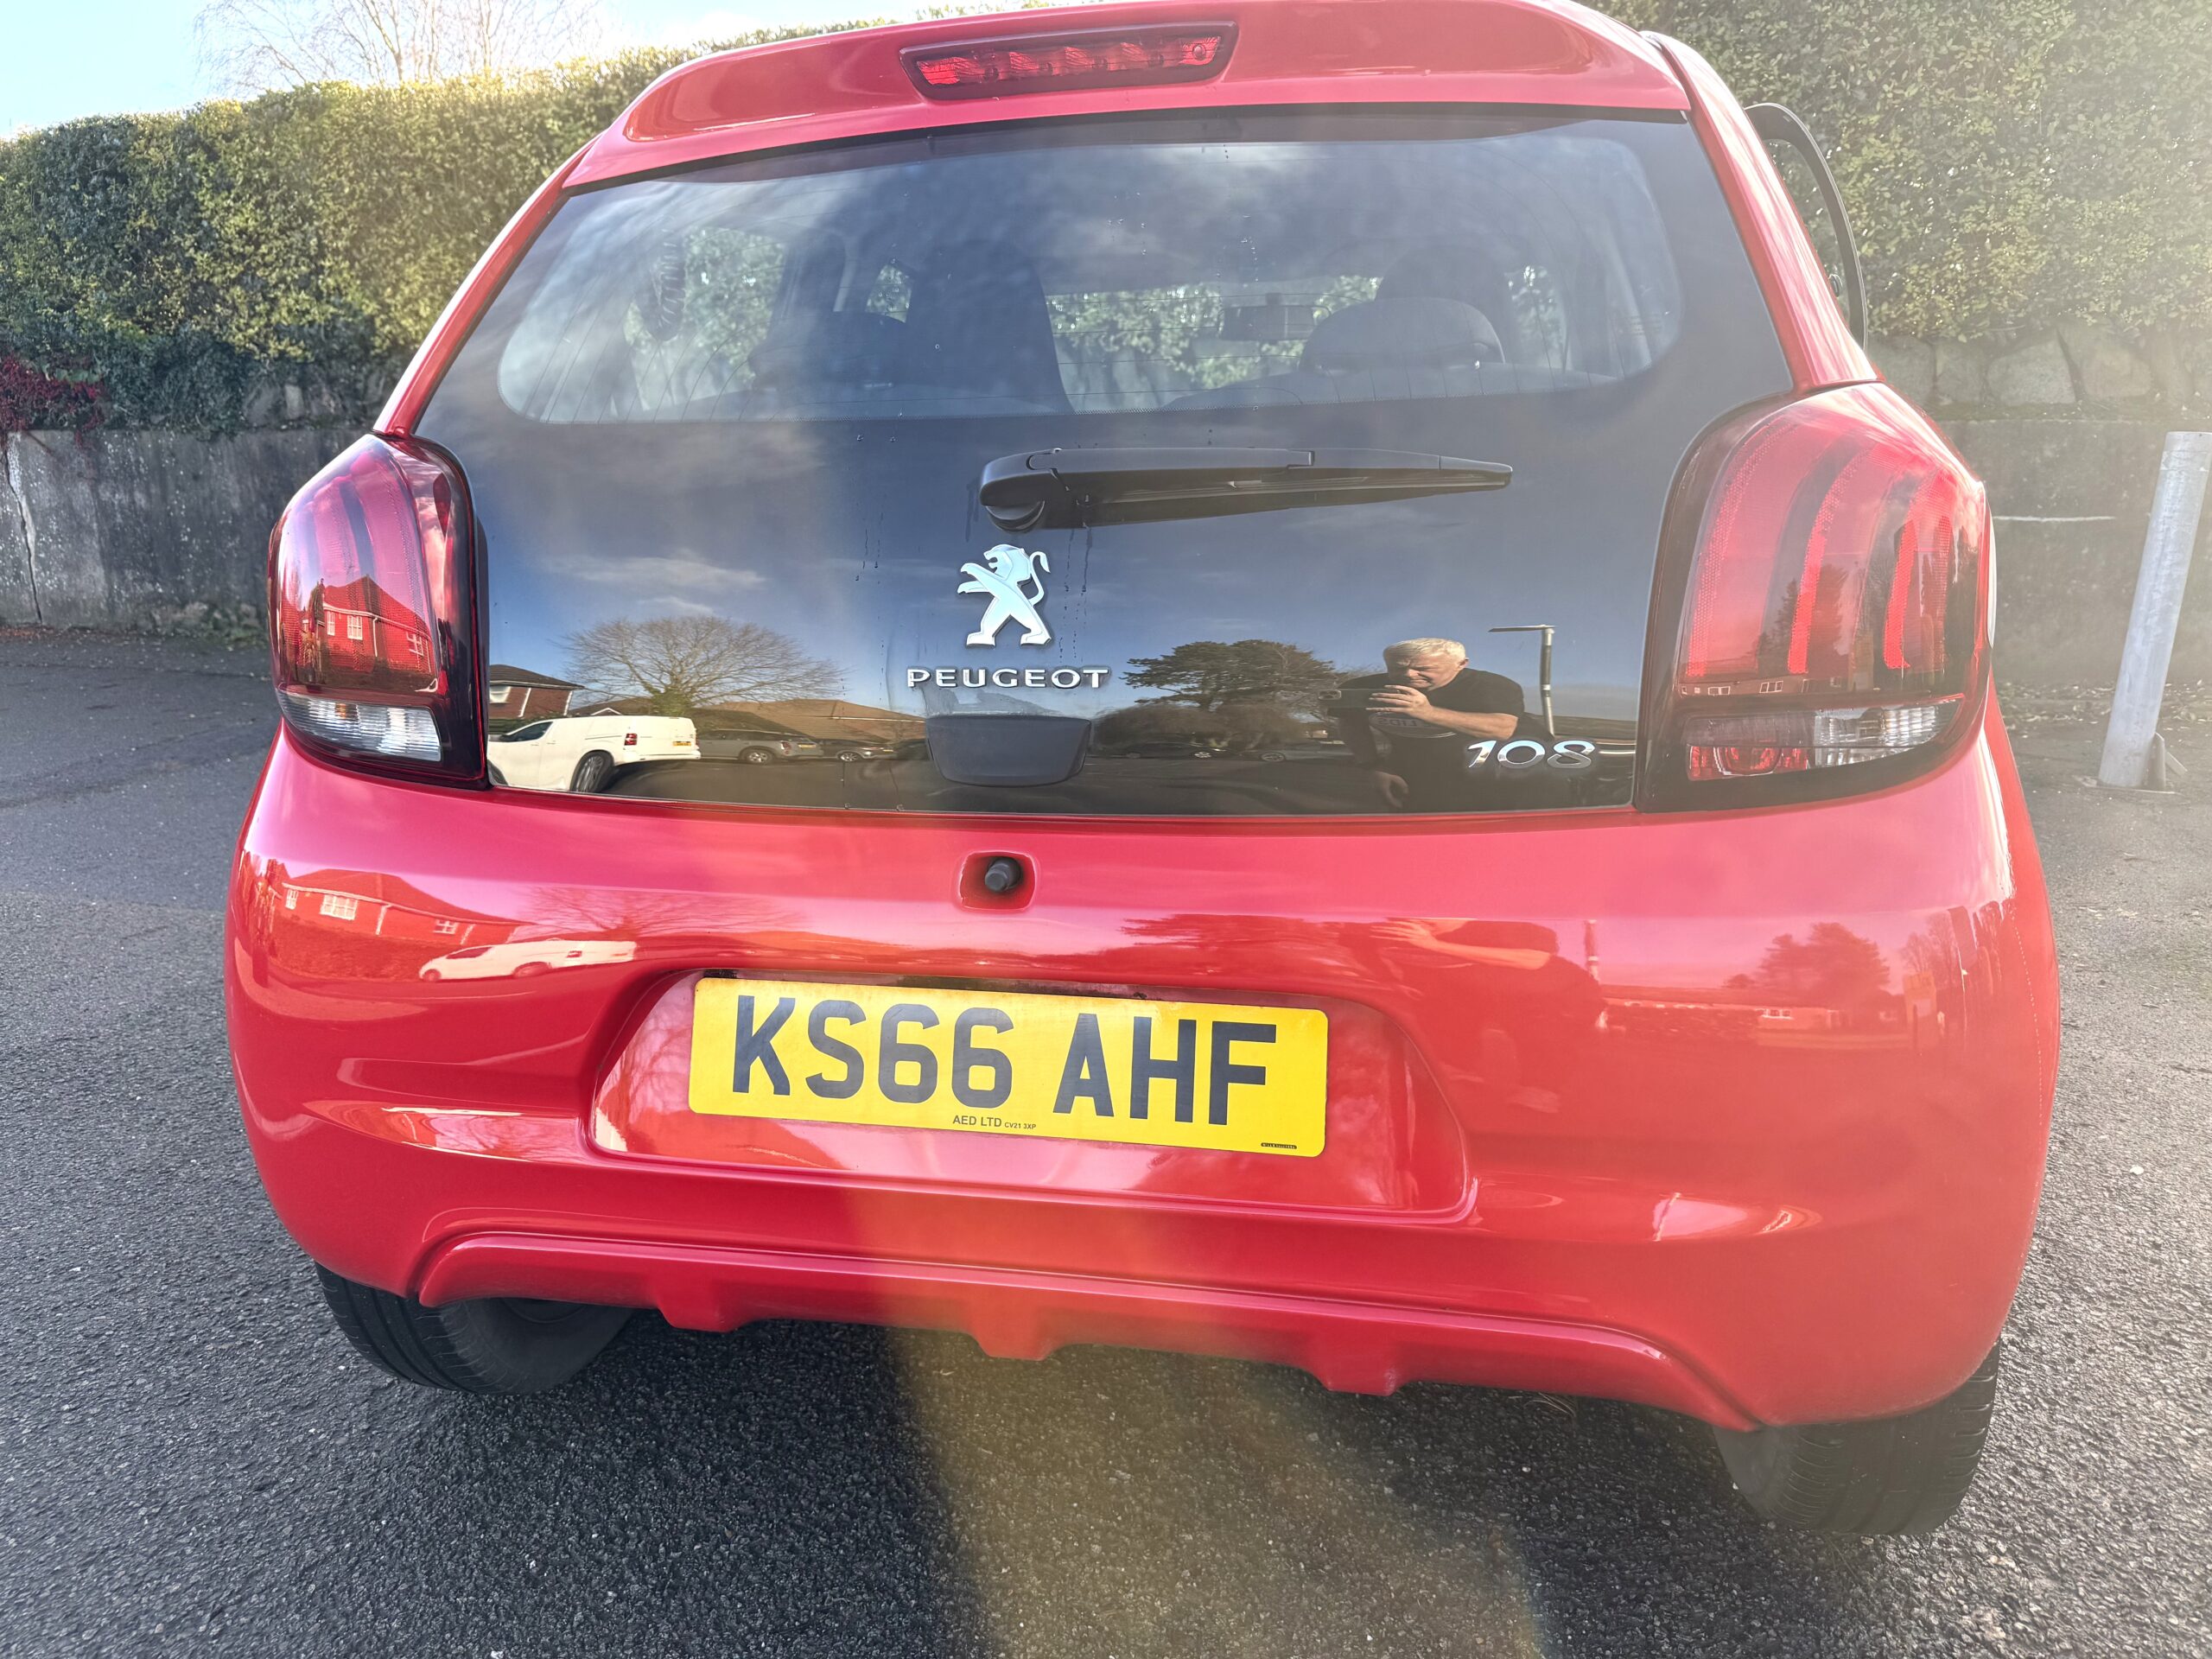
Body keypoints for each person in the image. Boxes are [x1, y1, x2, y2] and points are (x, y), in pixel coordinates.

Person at [1338, 636, 1526, 810]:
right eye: (1397, 668)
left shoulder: (1492, 686)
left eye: (1424, 669)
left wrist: (1426, 712)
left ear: (1460, 664)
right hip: (1404, 776)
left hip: (1488, 774)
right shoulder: (1360, 689)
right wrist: (1372, 765)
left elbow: (1502, 729)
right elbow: (1351, 724)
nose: (1409, 674)